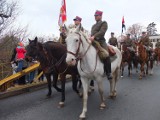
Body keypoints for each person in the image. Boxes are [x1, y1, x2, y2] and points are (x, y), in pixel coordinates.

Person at [89, 10, 112, 80]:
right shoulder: (93, 25)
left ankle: (109, 72)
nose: (95, 17)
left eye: (97, 15)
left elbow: (102, 32)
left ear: (100, 16)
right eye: (95, 16)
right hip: (92, 41)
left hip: (101, 41)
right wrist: (89, 37)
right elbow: (91, 33)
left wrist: (94, 36)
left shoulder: (104, 23)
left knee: (106, 54)